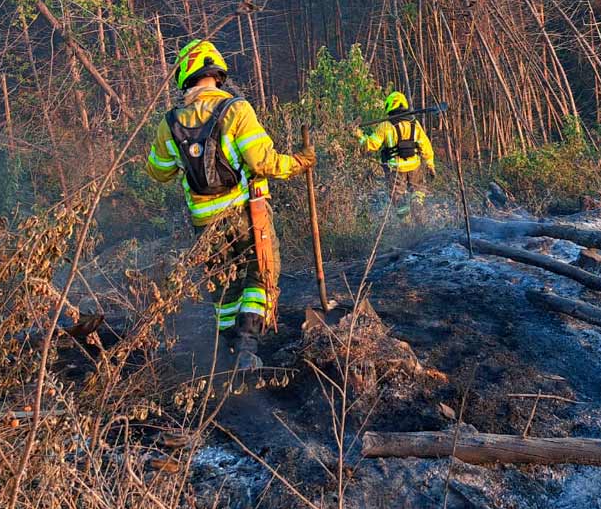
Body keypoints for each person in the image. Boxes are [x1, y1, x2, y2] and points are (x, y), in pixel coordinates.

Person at [145, 39, 314, 370]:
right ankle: (248, 346)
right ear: (216, 73)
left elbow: (158, 171)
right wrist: (299, 162)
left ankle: (228, 355)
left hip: (204, 225)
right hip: (246, 216)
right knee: (261, 275)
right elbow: (264, 162)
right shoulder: (236, 110)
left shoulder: (169, 123)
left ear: (185, 75)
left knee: (223, 287)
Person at [355, 90, 435, 222]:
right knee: (418, 189)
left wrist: (358, 134)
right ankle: (417, 203)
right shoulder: (415, 124)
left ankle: (407, 226)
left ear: (389, 106)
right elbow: (426, 146)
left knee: (398, 200)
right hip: (415, 166)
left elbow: (371, 145)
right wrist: (430, 165)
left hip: (395, 170)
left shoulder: (385, 126)